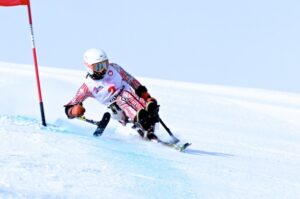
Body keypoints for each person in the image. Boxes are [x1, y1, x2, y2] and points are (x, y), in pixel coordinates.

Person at [64, 48, 159, 139]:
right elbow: (69, 107)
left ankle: (148, 117)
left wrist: (146, 96)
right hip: (117, 109)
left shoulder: (114, 68)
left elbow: (131, 80)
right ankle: (140, 119)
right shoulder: (87, 87)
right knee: (123, 97)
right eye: (98, 67)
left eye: (105, 64)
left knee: (128, 94)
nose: (103, 69)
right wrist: (73, 111)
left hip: (130, 95)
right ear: (89, 67)